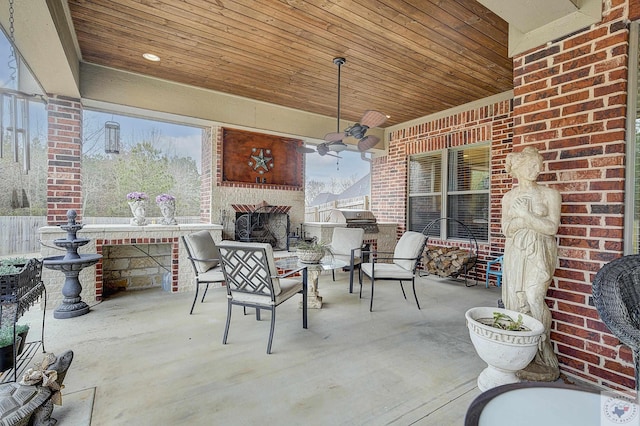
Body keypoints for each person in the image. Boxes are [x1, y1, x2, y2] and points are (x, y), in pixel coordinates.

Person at [501, 146, 561, 381]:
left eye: (539, 165)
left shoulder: (550, 195)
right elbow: (506, 229)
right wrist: (518, 219)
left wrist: (526, 216)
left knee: (535, 296)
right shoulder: (509, 197)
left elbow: (552, 228)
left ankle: (544, 348)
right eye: (531, 165)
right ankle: (524, 351)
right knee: (518, 302)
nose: (537, 169)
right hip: (516, 251)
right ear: (517, 168)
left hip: (540, 250)